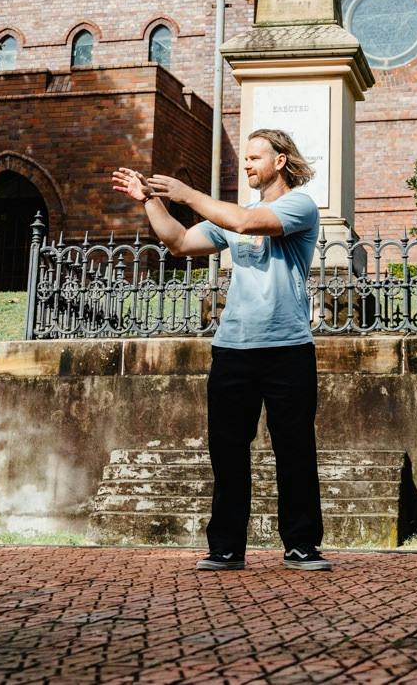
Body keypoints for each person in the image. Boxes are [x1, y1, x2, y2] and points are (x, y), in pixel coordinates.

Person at [110, 130, 331, 572]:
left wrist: (189, 193)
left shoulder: (299, 206)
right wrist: (148, 201)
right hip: (233, 350)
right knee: (228, 451)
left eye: (255, 158)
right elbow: (179, 242)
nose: (247, 165)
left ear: (281, 162)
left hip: (288, 348)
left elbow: (249, 225)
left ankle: (301, 545)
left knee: (295, 450)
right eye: (245, 158)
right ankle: (226, 548)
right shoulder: (232, 215)